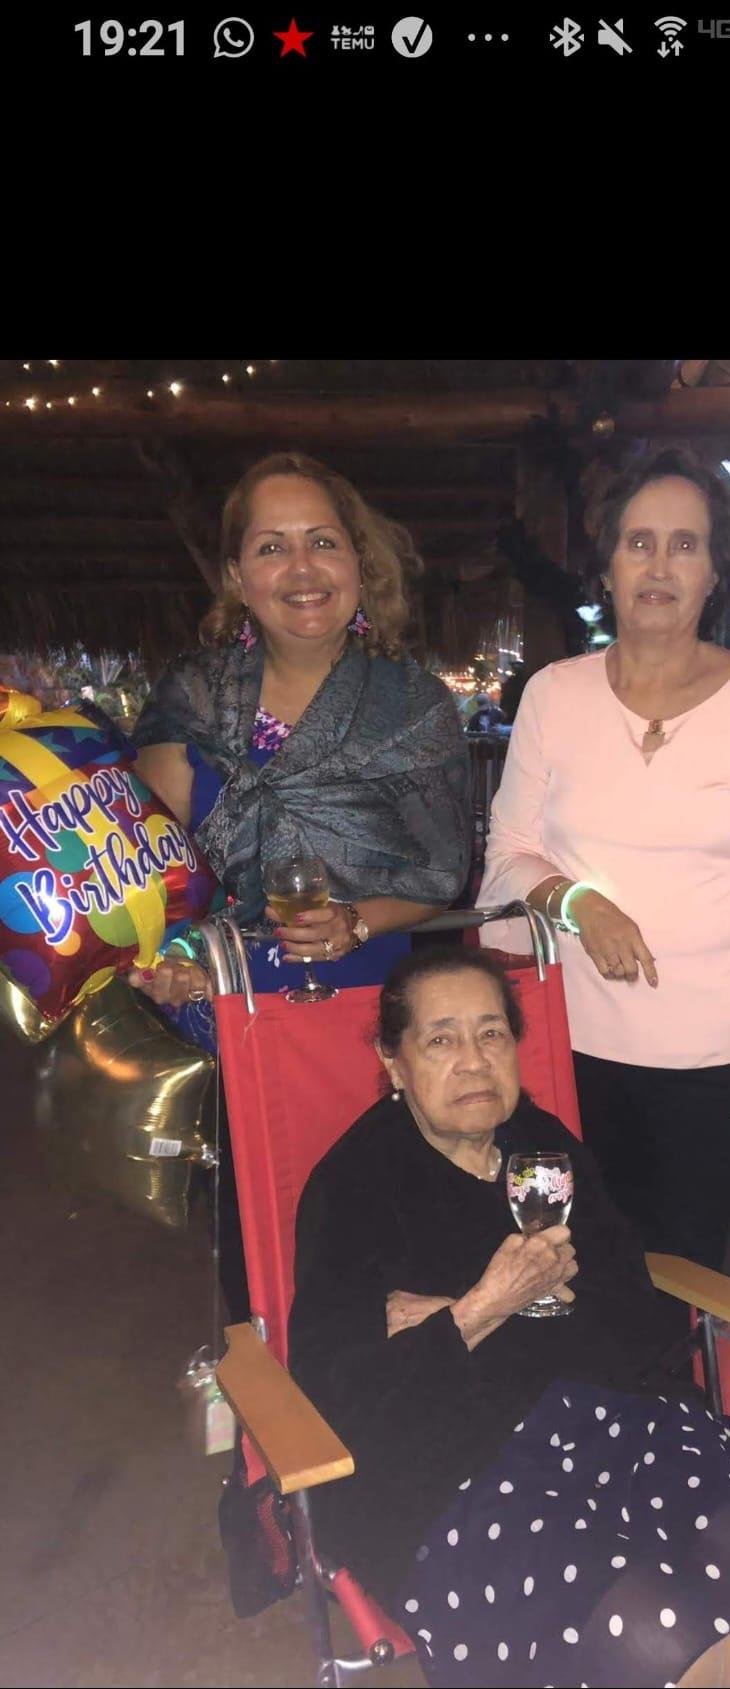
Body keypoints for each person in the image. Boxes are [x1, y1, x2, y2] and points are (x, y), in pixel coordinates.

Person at [289, 947, 730, 1689]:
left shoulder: (545, 1151)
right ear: (395, 1062)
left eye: (493, 1035)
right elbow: (341, 1390)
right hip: (457, 1474)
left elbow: (636, 1316)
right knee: (658, 1643)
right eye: (441, 1040)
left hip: (622, 1419)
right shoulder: (355, 1186)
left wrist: (471, 1315)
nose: (474, 1061)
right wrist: (485, 1307)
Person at [476, 447, 730, 1269]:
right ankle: (591, 1401)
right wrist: (580, 901)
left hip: (713, 1054)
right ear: (605, 565)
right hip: (568, 1039)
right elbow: (507, 857)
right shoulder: (554, 695)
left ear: (715, 574)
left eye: (686, 545)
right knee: (572, 1256)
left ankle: (672, 1400)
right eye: (639, 542)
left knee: (685, 1265)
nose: (659, 565)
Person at [129, 451, 472, 1315]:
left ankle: (383, 1424)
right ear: (239, 576)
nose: (302, 568)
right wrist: (167, 955)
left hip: (365, 1023)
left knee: (369, 1245)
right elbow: (150, 872)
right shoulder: (192, 699)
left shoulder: (416, 707)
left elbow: (441, 872)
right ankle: (273, 1435)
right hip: (224, 1014)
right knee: (248, 1253)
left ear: (359, 563)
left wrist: (358, 918)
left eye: (322, 541)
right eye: (272, 547)